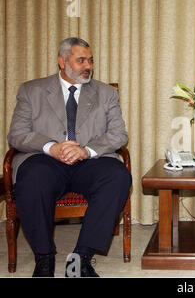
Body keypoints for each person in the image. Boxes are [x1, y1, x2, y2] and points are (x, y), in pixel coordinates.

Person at [7, 37, 132, 277]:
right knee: (32, 179)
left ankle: (80, 259)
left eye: (91, 61)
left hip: (90, 161)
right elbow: (17, 134)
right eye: (81, 60)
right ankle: (44, 258)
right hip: (45, 160)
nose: (88, 66)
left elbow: (118, 134)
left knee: (118, 177)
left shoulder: (105, 93)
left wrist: (86, 150)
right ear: (62, 62)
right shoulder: (31, 91)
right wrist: (51, 147)